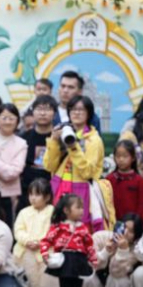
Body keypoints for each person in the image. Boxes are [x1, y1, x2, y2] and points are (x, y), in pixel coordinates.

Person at [44, 95, 105, 230]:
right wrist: (54, 141)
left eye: (81, 110)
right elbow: (49, 166)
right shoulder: (64, 132)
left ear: (89, 113)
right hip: (60, 186)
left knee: (79, 232)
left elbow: (87, 172)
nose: (76, 113)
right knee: (57, 230)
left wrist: (73, 147)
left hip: (81, 190)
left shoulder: (94, 140)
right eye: (72, 109)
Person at [40, 194, 98, 287]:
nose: (82, 210)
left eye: (82, 207)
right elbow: (46, 240)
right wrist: (44, 252)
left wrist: (93, 259)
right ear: (66, 210)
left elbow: (89, 245)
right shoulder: (58, 227)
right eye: (78, 207)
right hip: (66, 262)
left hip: (80, 262)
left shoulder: (83, 228)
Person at [13, 178, 57, 287]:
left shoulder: (53, 212)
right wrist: (27, 241)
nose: (33, 198)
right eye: (31, 194)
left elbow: (54, 231)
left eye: (37, 194)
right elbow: (18, 230)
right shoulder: (24, 212)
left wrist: (40, 242)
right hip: (24, 254)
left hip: (45, 254)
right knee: (27, 286)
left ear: (47, 197)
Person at [83, 213, 143, 287]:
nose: (126, 232)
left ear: (136, 236)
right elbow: (89, 265)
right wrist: (105, 251)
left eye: (131, 231)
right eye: (124, 227)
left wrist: (123, 250)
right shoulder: (100, 237)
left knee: (120, 280)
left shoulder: (135, 249)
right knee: (84, 277)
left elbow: (116, 272)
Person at [0, 103, 27, 227]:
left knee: (6, 228)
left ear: (17, 121)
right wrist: (4, 166)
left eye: (11, 118)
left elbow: (14, 172)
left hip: (8, 196)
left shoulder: (21, 143)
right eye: (4, 118)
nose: (7, 122)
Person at [20, 95, 56, 210]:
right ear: (33, 112)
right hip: (27, 192)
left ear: (54, 113)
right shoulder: (23, 138)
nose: (42, 113)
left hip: (53, 190)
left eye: (47, 109)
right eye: (39, 109)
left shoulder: (59, 137)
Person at [107, 140, 143, 220]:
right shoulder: (109, 179)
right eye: (118, 156)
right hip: (113, 223)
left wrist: (135, 222)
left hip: (133, 226)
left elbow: (142, 206)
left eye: (125, 156)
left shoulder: (139, 181)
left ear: (133, 158)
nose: (121, 159)